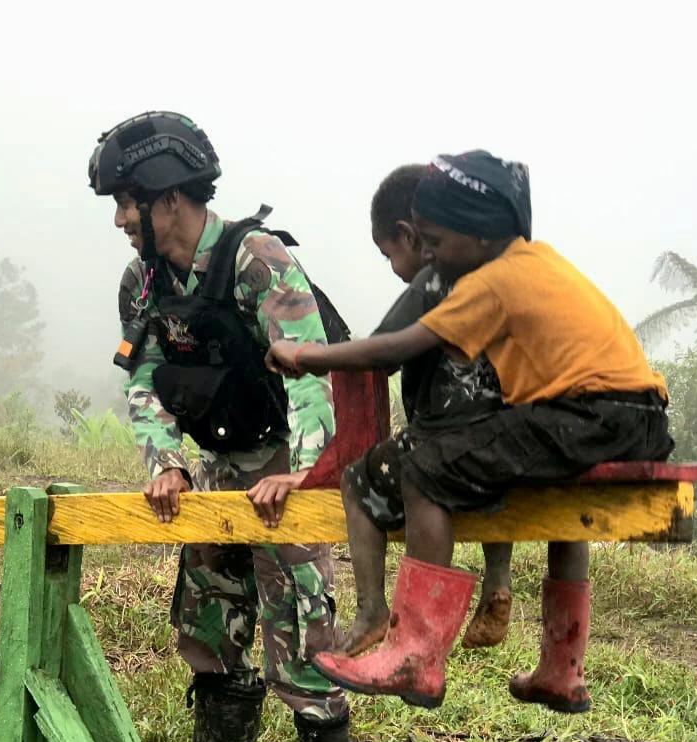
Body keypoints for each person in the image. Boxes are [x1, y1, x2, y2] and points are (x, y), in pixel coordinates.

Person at [267, 151, 673, 713]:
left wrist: (308, 354)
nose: (430, 255)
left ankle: (416, 654)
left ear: (478, 234)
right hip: (640, 418)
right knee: (560, 501)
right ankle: (562, 669)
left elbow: (397, 347)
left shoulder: (492, 281)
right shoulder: (538, 261)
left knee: (425, 466)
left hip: (586, 416)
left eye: (435, 241)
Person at [89, 111, 349, 742]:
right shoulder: (144, 281)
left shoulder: (255, 260)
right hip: (216, 469)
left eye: (127, 201)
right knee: (210, 619)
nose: (119, 219)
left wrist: (302, 472)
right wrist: (166, 460)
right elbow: (142, 378)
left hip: (285, 464)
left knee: (302, 638)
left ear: (168, 197)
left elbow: (311, 373)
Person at [343, 164, 513, 659]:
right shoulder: (495, 276)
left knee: (360, 481)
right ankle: (497, 579)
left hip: (443, 446)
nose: (394, 266)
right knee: (485, 472)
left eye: (389, 254)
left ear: (409, 234)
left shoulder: (432, 284)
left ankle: (373, 612)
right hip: (508, 447)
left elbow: (380, 350)